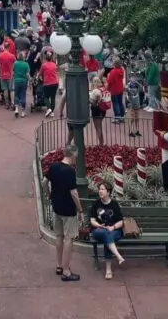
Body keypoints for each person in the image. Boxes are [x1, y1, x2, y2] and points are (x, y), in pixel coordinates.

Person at [42, 143, 82, 282]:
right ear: (73, 155)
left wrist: (49, 195)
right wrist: (80, 209)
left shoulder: (54, 166)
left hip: (56, 206)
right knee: (68, 239)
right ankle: (66, 271)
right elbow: (74, 193)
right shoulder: (70, 171)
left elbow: (44, 182)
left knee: (58, 236)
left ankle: (59, 265)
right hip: (68, 209)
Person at [89, 180, 125, 280]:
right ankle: (118, 256)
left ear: (108, 192)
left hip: (114, 231)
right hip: (98, 230)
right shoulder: (96, 204)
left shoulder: (114, 204)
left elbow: (121, 222)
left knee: (107, 237)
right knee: (106, 234)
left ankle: (109, 269)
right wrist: (100, 226)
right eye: (99, 189)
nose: (100, 191)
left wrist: (112, 227)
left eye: (102, 189)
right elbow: (92, 220)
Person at [39, 49, 60, 118]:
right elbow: (57, 71)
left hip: (47, 83)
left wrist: (41, 77)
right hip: (55, 83)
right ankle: (52, 112)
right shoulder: (54, 65)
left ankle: (49, 108)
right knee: (53, 97)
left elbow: (40, 74)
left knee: (46, 97)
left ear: (45, 58)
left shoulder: (43, 65)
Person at [0, 41, 15, 109]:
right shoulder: (12, 56)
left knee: (5, 90)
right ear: (9, 47)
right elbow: (14, 65)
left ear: (4, 47)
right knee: (12, 89)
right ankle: (12, 103)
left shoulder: (0, 56)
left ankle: (7, 104)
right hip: (10, 74)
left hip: (3, 74)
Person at [106, 57, 125, 123]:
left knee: (115, 104)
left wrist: (108, 76)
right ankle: (122, 117)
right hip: (120, 89)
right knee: (120, 103)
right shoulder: (121, 70)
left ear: (114, 64)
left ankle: (117, 117)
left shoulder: (113, 71)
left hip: (114, 90)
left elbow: (110, 81)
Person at [12, 51, 31, 118]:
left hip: (16, 81)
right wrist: (30, 82)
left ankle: (16, 109)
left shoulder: (15, 63)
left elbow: (13, 72)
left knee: (16, 95)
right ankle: (23, 112)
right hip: (23, 81)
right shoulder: (26, 64)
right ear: (23, 57)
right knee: (23, 95)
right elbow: (28, 74)